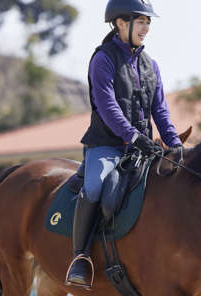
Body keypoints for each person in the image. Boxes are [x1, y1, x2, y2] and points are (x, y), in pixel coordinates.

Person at [65, 0, 182, 288]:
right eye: (140, 21)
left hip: (142, 149)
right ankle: (80, 258)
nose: (146, 28)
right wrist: (135, 137)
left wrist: (175, 143)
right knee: (95, 186)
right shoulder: (102, 59)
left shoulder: (150, 65)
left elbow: (161, 110)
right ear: (120, 23)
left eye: (148, 22)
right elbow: (107, 107)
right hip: (107, 146)